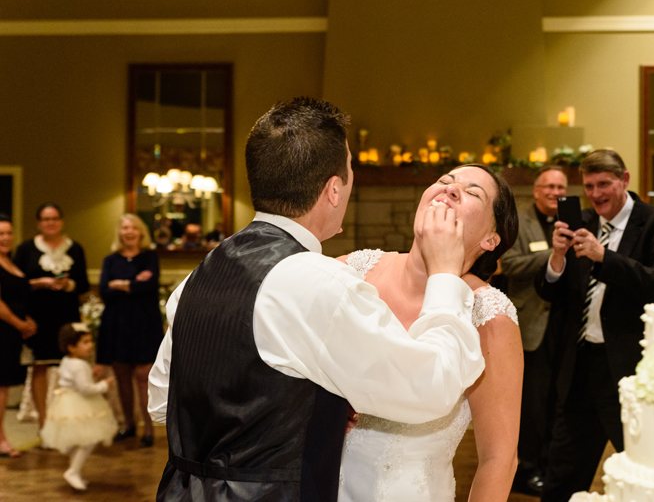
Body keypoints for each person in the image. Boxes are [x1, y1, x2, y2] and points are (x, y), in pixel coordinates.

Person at [148, 97, 486, 502]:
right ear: (333, 189)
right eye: (350, 168)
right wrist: (447, 274)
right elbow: (431, 388)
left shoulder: (200, 274)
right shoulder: (321, 283)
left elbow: (163, 404)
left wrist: (307, 413)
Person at [338, 163, 522, 502]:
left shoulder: (489, 316)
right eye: (444, 181)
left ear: (490, 239)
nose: (450, 189)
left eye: (472, 192)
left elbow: (499, 459)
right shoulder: (351, 272)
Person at [535, 149, 654, 501]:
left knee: (641, 466)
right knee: (562, 472)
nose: (596, 194)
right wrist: (556, 256)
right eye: (589, 186)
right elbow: (549, 292)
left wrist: (605, 258)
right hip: (579, 368)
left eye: (604, 184)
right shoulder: (580, 221)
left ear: (625, 180)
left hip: (629, 368)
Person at [499, 165, 567, 494]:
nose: (555, 192)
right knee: (532, 404)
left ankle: (548, 466)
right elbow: (508, 265)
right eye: (549, 186)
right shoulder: (520, 222)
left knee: (558, 399)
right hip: (530, 324)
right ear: (537, 191)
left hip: (564, 326)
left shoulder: (572, 221)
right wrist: (552, 255)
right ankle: (525, 469)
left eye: (560, 186)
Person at [14, 203, 90, 430]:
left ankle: (69, 422)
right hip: (38, 317)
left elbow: (84, 284)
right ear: (39, 223)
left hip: (66, 317)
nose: (51, 223)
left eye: (55, 218)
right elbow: (17, 285)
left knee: (71, 368)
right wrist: (39, 283)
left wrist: (68, 285)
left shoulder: (75, 248)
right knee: (39, 367)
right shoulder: (26, 249)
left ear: (62, 221)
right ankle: (44, 423)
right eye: (46, 219)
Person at [96, 214, 162, 448]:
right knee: (122, 377)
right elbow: (105, 291)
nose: (129, 231)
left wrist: (121, 284)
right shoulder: (110, 260)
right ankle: (128, 425)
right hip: (117, 324)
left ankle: (148, 428)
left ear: (141, 232)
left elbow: (150, 286)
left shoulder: (149, 257)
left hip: (145, 324)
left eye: (133, 227)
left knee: (143, 377)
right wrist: (133, 283)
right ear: (120, 232)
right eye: (125, 228)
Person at [40, 323, 118, 491]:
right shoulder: (79, 365)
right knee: (89, 440)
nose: (91, 345)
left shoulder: (68, 360)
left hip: (66, 403)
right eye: (85, 342)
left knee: (79, 441)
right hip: (79, 404)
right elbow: (86, 389)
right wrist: (104, 385)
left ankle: (75, 471)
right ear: (72, 347)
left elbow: (75, 380)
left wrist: (90, 373)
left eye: (90, 341)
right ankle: (73, 471)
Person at [0, 214, 37, 457]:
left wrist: (28, 321)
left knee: (3, 387)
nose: (6, 237)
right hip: (3, 330)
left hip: (11, 333)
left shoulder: (10, 261)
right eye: (0, 233)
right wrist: (19, 323)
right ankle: (0, 439)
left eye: (9, 232)